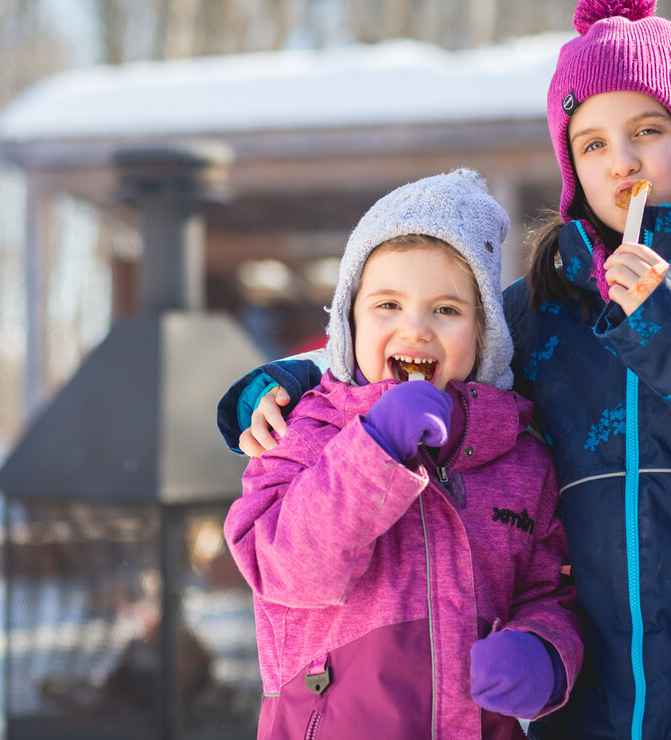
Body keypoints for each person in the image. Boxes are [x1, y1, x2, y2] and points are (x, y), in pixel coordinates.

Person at [223, 1, 671, 737]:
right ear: (572, 170)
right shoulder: (540, 316)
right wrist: (292, 380)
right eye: (590, 144)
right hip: (594, 710)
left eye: (646, 131)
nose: (619, 160)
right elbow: (430, 341)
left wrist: (669, 319)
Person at [219, 168, 584, 739]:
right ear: (349, 320)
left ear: (485, 333)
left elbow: (549, 589)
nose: (415, 329)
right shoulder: (303, 432)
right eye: (388, 305)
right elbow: (289, 571)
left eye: (446, 310)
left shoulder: (519, 459)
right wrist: (374, 449)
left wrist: (545, 651)